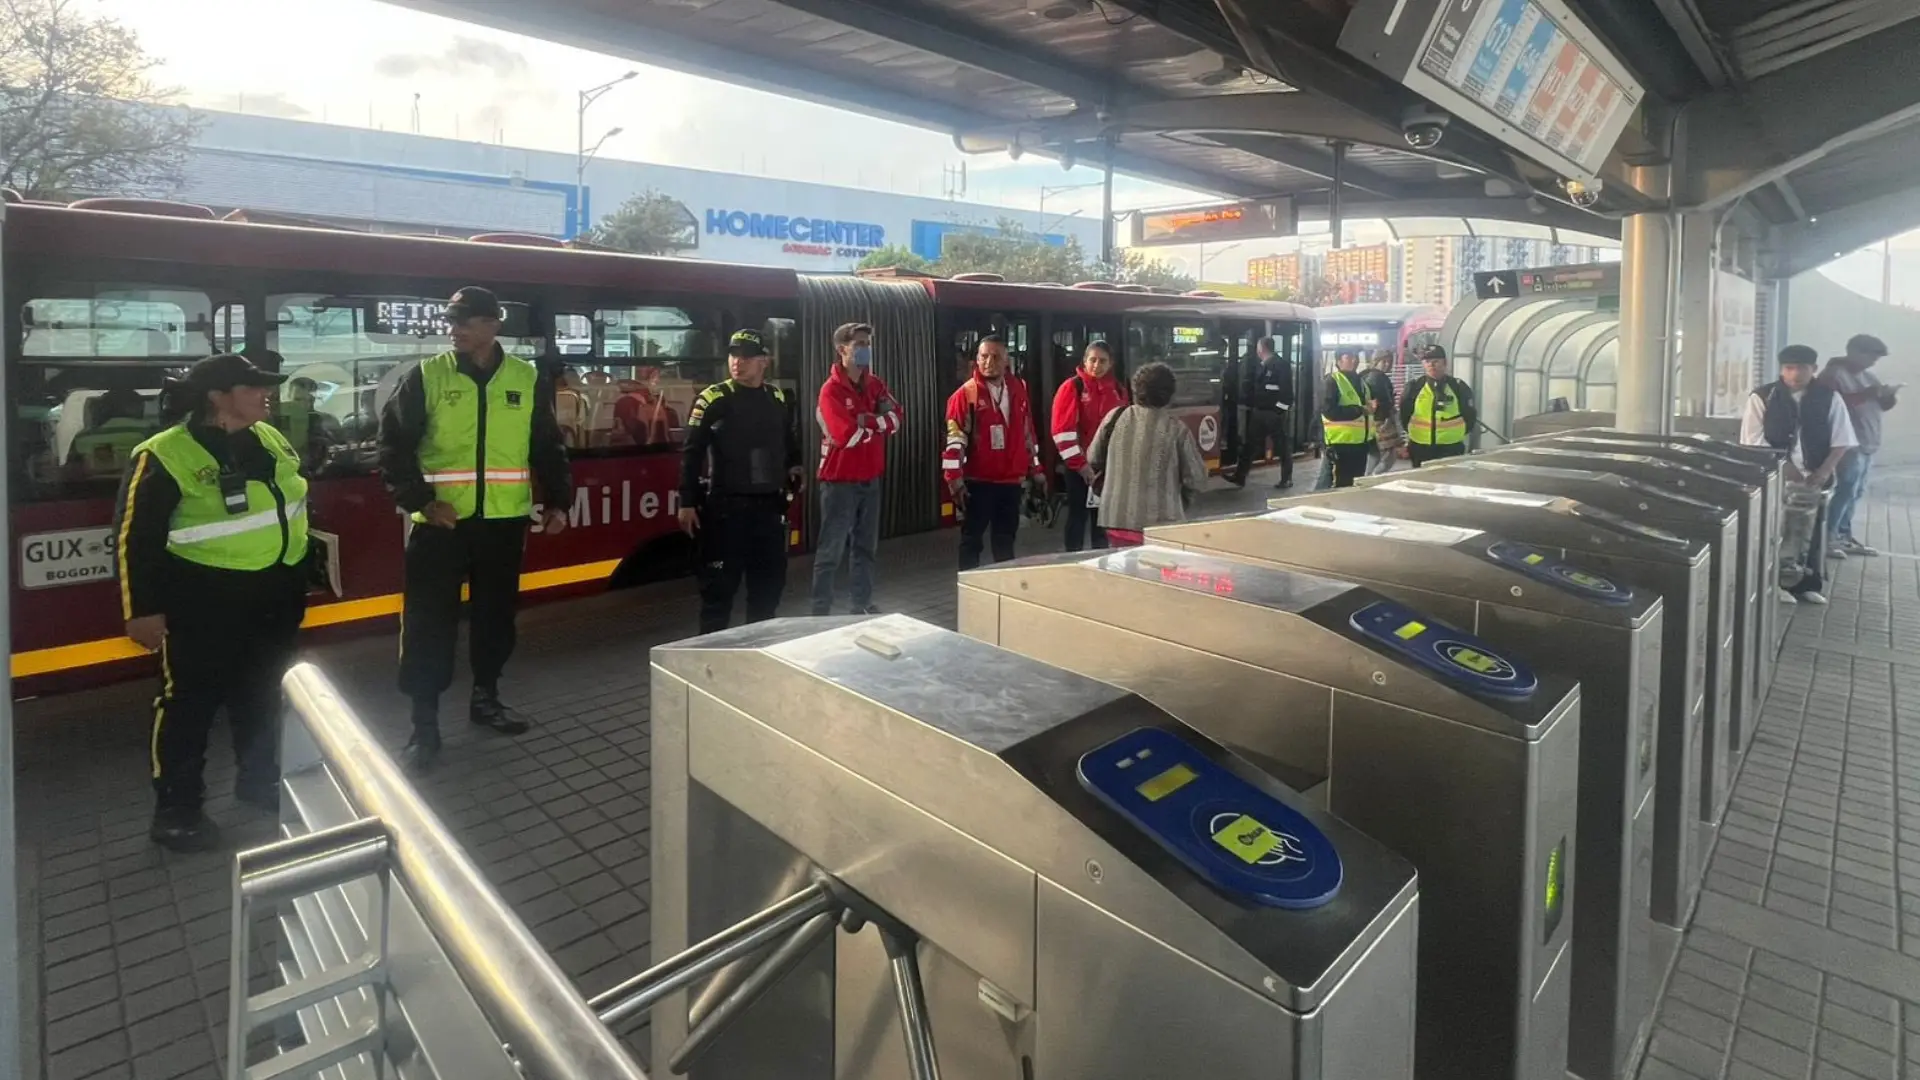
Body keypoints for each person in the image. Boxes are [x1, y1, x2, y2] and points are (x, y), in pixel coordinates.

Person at [113, 355, 311, 850]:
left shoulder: (269, 437)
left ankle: (258, 780)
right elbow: (134, 538)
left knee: (262, 692)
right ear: (217, 397)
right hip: (202, 602)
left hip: (274, 593)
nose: (266, 395)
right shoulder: (163, 454)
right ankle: (176, 812)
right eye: (254, 387)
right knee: (189, 705)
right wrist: (141, 611)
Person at [379, 286, 572, 773]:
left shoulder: (525, 377)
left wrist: (558, 499)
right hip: (439, 527)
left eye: (465, 320)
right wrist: (421, 501)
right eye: (451, 320)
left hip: (503, 523)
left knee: (496, 617)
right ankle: (424, 725)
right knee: (427, 624)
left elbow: (546, 443)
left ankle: (486, 698)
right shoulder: (426, 376)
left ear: (493, 324)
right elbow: (393, 446)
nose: (455, 328)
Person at [679, 329, 804, 632]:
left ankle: (757, 650)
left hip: (769, 511)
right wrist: (687, 502)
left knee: (767, 592)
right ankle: (711, 656)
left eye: (747, 356)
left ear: (764, 361)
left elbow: (788, 440)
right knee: (718, 596)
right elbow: (692, 452)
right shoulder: (713, 399)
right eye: (734, 355)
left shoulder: (776, 397)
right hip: (726, 512)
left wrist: (795, 466)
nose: (738, 362)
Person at [1741, 344, 1856, 606]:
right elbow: (1752, 440)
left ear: (1813, 369)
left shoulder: (1829, 397)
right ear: (1781, 370)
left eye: (1801, 368)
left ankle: (1807, 584)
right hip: (1775, 479)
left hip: (1815, 477)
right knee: (1779, 531)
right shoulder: (1763, 397)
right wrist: (1784, 466)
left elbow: (1842, 440)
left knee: (1813, 532)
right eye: (1789, 368)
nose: (1795, 374)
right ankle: (1777, 584)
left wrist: (1824, 471)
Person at [812, 322, 902, 615]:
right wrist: (877, 424)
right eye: (859, 344)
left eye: (867, 344)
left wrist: (866, 421)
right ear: (842, 350)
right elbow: (846, 436)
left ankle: (861, 605)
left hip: (870, 478)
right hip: (839, 481)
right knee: (831, 551)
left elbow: (897, 419)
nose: (866, 350)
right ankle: (820, 612)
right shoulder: (830, 391)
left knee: (866, 548)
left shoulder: (875, 384)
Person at [943, 334, 1044, 570]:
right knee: (971, 542)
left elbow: (1028, 434)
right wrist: (954, 480)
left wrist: (1036, 469)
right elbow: (954, 441)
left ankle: (1002, 586)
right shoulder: (965, 395)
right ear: (976, 360)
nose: (989, 362)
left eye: (996, 357)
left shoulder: (1018, 389)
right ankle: (968, 586)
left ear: (1007, 360)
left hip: (1011, 482)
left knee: (1005, 542)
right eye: (984, 356)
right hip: (978, 483)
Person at [1086, 362, 1209, 546]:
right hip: (1160, 524)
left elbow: (1093, 457)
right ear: (1169, 394)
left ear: (1136, 390)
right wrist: (1181, 501)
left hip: (1115, 519)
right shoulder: (1176, 428)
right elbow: (1197, 478)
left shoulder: (1115, 417)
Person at [1819, 334, 1896, 558]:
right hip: (1847, 444)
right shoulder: (1833, 374)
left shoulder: (1869, 376)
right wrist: (1865, 394)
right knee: (1844, 490)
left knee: (1856, 492)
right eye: (1871, 356)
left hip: (1867, 441)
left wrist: (1888, 397)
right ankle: (1828, 538)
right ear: (1854, 351)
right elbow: (1829, 405)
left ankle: (1843, 535)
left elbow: (1880, 405)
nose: (1873, 362)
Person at [1051, 339, 1128, 550]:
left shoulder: (1119, 390)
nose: (1096, 365)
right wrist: (1081, 466)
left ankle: (1101, 560)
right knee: (1077, 518)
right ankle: (1072, 560)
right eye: (1092, 360)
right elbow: (1062, 432)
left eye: (1102, 361)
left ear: (1110, 363)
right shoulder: (1072, 388)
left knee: (1102, 521)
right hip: (1078, 468)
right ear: (1084, 361)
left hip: (1107, 468)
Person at [1231, 336, 1294, 490]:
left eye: (1258, 348)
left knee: (1282, 447)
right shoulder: (1261, 366)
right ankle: (1239, 476)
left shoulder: (1281, 365)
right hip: (1259, 413)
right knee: (1249, 445)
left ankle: (1286, 479)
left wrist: (1278, 411)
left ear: (1262, 349)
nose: (1257, 351)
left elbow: (1287, 394)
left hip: (1273, 414)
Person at [1400, 345, 1475, 466]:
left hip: (1451, 447)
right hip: (1420, 447)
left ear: (1445, 363)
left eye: (1436, 361)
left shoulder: (1458, 387)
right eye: (1427, 361)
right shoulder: (1414, 387)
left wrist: (1455, 433)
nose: (1431, 365)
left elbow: (1470, 416)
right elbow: (1404, 415)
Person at [67, 387, 151, 477]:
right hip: (142, 483)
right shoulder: (149, 431)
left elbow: (72, 472)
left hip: (90, 485)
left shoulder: (81, 438)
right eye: (140, 406)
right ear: (131, 408)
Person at [1321, 351, 1372, 488]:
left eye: (1355, 357)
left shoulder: (1361, 382)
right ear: (1338, 361)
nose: (1354, 360)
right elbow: (1329, 411)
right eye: (1349, 357)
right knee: (1340, 485)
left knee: (1355, 484)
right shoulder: (1332, 381)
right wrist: (1359, 410)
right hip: (1340, 444)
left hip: (1360, 444)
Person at [1360, 351, 1399, 476]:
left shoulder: (1365, 375)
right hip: (1381, 421)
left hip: (1370, 421)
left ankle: (1367, 477)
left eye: (1390, 361)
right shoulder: (1377, 377)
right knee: (1389, 455)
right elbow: (1383, 400)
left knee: (1375, 453)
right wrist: (1387, 416)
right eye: (1384, 361)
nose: (1387, 364)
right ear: (1376, 361)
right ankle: (1373, 477)